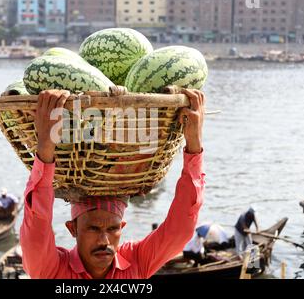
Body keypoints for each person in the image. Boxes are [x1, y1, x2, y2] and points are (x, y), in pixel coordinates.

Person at [20, 89, 206, 279]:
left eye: (113, 229)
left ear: (122, 227)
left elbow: (179, 231)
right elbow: (36, 227)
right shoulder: (51, 270)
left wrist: (194, 143)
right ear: (72, 229)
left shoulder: (137, 262)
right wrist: (45, 145)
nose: (104, 240)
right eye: (93, 228)